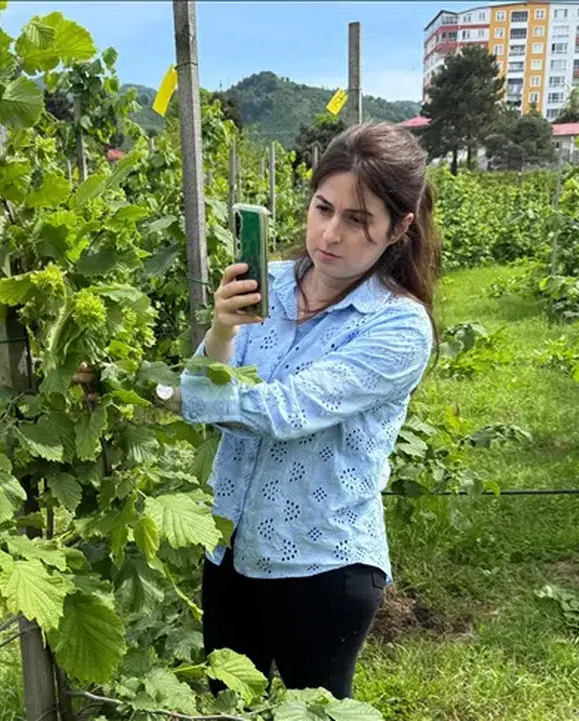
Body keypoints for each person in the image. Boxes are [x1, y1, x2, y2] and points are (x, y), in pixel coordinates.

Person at [177, 122, 440, 699]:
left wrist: (180, 395)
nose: (330, 233)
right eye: (323, 208)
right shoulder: (267, 285)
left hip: (323, 562)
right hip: (230, 548)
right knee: (226, 704)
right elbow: (206, 384)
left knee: (314, 710)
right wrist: (221, 330)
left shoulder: (399, 326)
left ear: (399, 228)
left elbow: (286, 412)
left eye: (358, 219)